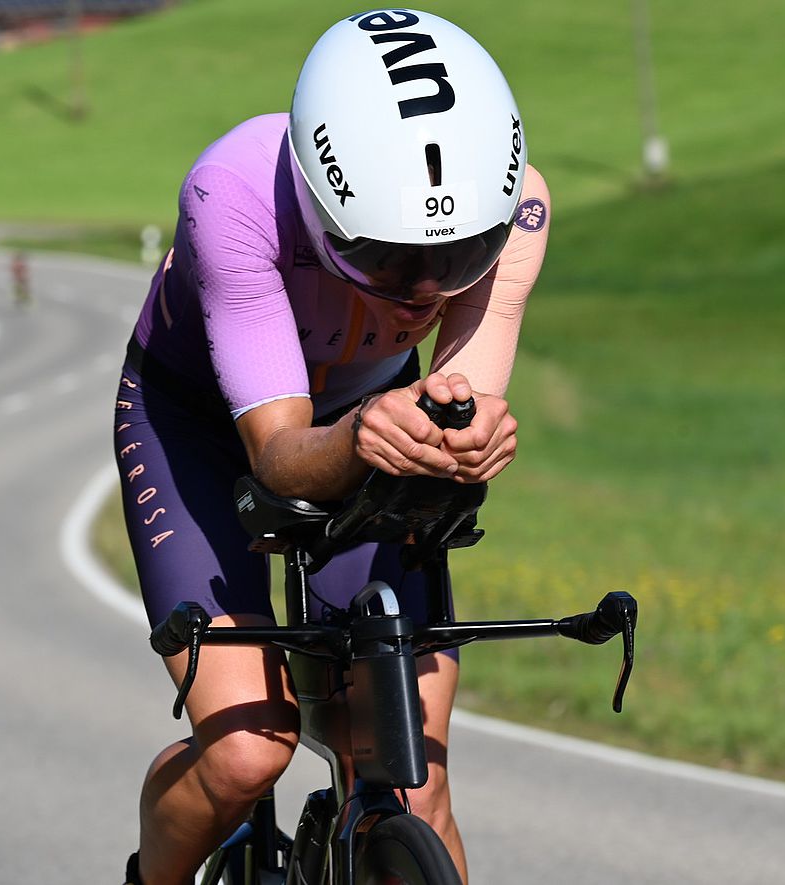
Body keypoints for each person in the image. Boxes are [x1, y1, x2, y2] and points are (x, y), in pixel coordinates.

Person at [114, 10, 549, 884]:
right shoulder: (230, 195)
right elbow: (277, 457)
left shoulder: (518, 210)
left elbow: (463, 408)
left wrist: (470, 441)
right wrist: (366, 431)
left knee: (409, 780)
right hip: (199, 424)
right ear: (318, 207)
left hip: (364, 418)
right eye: (388, 259)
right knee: (246, 752)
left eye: (458, 254)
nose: (423, 294)